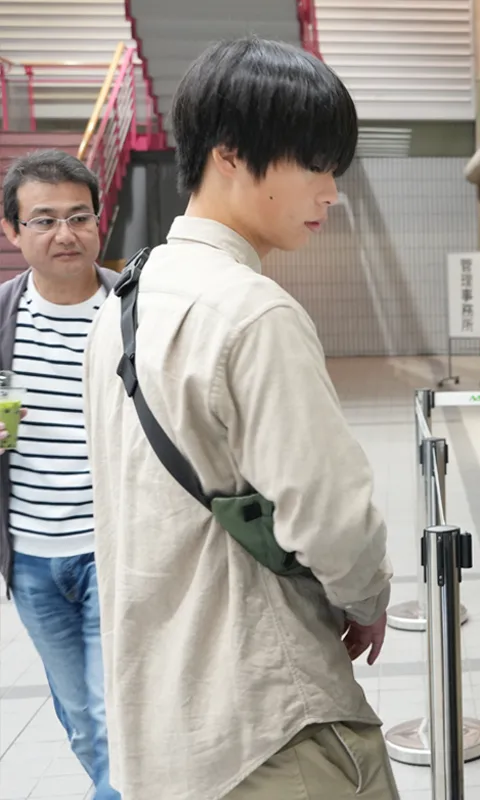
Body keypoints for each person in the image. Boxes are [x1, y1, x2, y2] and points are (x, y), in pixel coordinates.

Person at [81, 37, 396, 800]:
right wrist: (367, 601)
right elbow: (332, 518)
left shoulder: (124, 300)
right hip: (270, 720)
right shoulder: (253, 312)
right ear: (230, 154)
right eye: (314, 164)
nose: (330, 191)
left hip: (163, 721)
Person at [0, 150, 120, 800]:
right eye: (42, 220)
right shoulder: (1, 318)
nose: (65, 233)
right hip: (32, 566)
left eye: (79, 216)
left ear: (100, 221)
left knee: (112, 715)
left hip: (114, 552)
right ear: (12, 232)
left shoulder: (132, 312)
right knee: (79, 720)